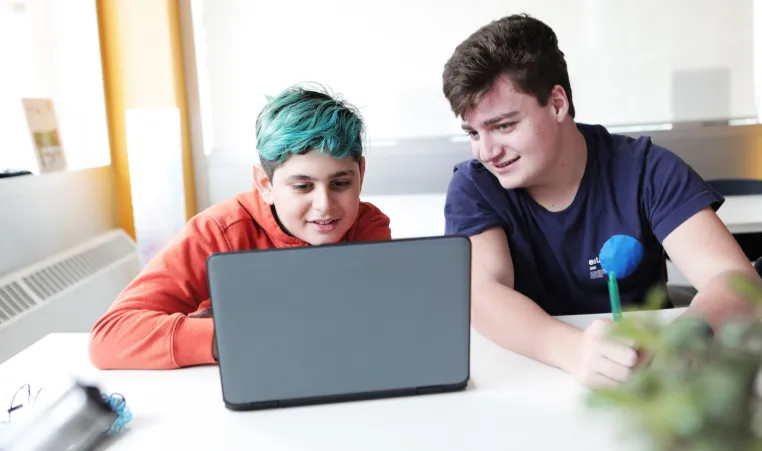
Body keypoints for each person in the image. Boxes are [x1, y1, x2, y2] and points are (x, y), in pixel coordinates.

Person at [441, 14, 759, 388]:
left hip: (646, 378)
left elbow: (735, 280)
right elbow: (483, 292)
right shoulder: (474, 185)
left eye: (504, 125)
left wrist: (676, 346)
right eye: (473, 133)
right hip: (531, 376)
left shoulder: (645, 169)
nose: (487, 151)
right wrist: (572, 350)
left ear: (557, 103)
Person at [89, 84, 392, 370]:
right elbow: (110, 335)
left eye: (340, 183)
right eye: (302, 186)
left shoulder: (367, 226)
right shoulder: (218, 231)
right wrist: (227, 339)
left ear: (360, 174)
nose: (324, 204)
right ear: (265, 184)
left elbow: (372, 323)